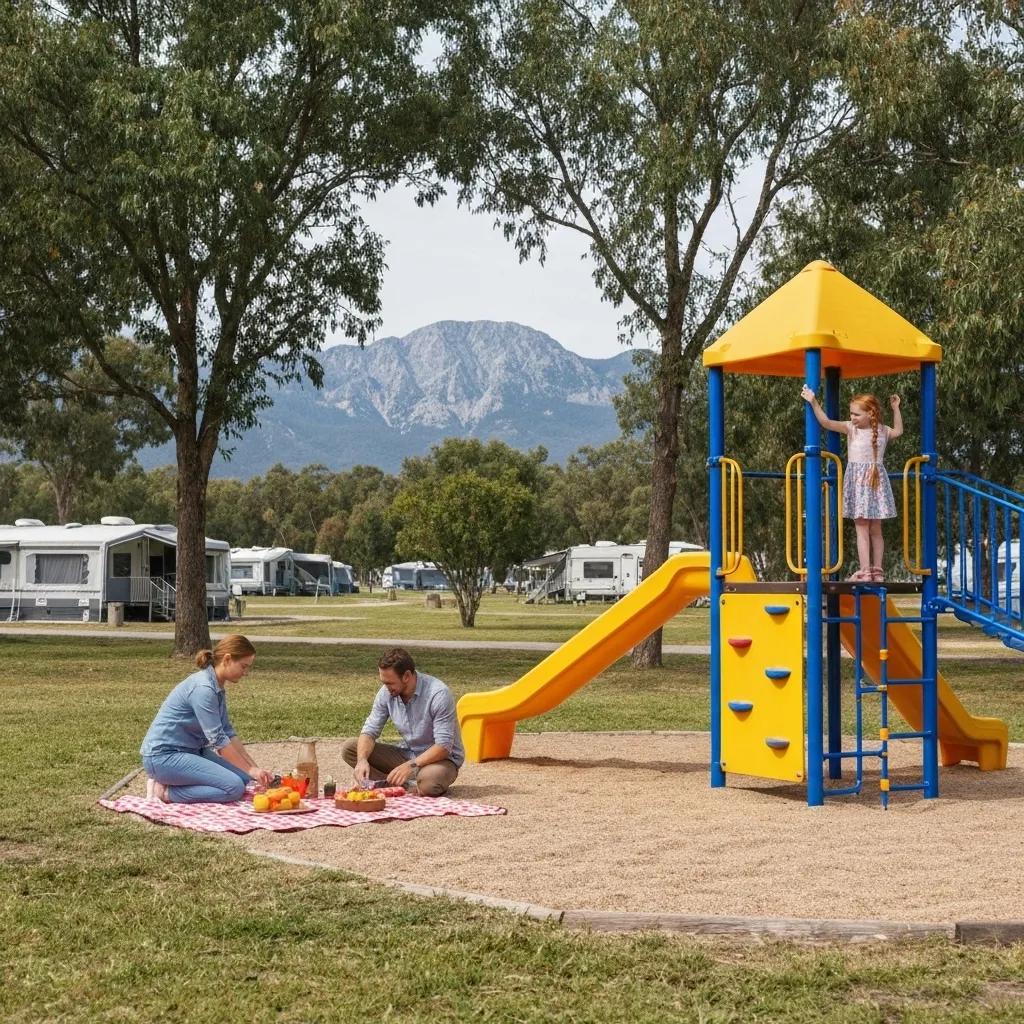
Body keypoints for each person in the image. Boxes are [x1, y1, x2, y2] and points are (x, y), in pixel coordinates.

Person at [140, 634, 272, 803]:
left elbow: (227, 732)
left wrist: (254, 770)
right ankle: (165, 791)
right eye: (243, 666)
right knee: (234, 788)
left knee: (245, 778)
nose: (246, 673)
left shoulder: (217, 686)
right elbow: (218, 741)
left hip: (192, 751)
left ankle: (178, 786)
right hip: (164, 757)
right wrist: (252, 770)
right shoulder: (204, 688)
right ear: (227, 659)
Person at [800, 385, 904, 582]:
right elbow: (826, 422)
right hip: (863, 484)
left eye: (856, 414)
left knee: (872, 529)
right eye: (851, 414)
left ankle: (874, 571)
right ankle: (869, 570)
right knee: (865, 528)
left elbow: (899, 430)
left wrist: (895, 408)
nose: (853, 418)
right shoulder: (851, 428)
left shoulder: (882, 430)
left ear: (870, 413)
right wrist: (813, 401)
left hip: (871, 482)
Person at [342, 647, 464, 797]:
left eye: (389, 683)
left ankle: (403, 782)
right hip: (408, 753)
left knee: (429, 784)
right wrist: (361, 760)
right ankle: (396, 784)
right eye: (384, 682)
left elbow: (444, 746)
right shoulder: (386, 693)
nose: (386, 687)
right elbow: (370, 731)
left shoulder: (438, 694)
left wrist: (411, 766)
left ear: (406, 676)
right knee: (350, 748)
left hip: (441, 759)